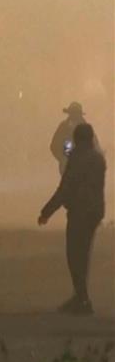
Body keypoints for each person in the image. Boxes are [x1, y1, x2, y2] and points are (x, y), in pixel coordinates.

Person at [38, 123, 106, 315]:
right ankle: (81, 297)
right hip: (94, 212)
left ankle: (81, 298)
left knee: (74, 255)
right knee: (83, 254)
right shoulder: (98, 158)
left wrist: (47, 211)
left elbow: (65, 189)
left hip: (79, 212)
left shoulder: (77, 157)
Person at [50, 102, 86, 175]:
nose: (75, 116)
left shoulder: (86, 128)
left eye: (76, 114)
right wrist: (62, 159)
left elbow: (95, 145)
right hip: (67, 166)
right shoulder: (64, 127)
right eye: (73, 114)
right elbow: (54, 145)